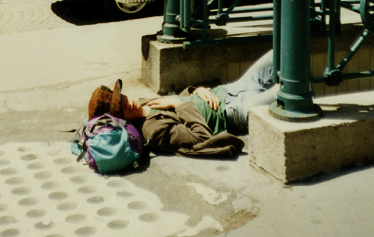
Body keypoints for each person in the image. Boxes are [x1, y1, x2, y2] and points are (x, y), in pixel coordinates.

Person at [87, 49, 278, 157]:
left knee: (281, 51)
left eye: (122, 98)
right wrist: (178, 105)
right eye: (120, 108)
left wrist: (197, 90)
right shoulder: (153, 131)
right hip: (234, 111)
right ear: (121, 120)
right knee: (289, 91)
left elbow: (182, 97)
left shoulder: (143, 104)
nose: (126, 103)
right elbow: (200, 137)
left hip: (232, 89)